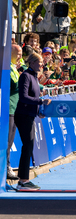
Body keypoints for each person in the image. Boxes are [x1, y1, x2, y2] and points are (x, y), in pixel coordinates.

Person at [14, 53, 51, 190]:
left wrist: (38, 111)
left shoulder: (35, 77)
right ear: (32, 62)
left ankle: (23, 180)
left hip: (30, 115)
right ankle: (23, 180)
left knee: (29, 146)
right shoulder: (25, 75)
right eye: (40, 62)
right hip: (23, 115)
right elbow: (24, 97)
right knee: (27, 146)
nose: (42, 65)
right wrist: (41, 101)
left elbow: (32, 98)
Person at [7, 44, 22, 180]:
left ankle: (7, 166)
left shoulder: (14, 68)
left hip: (15, 108)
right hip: (8, 108)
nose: (20, 57)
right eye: (18, 54)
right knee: (7, 141)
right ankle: (6, 168)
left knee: (10, 141)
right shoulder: (7, 68)